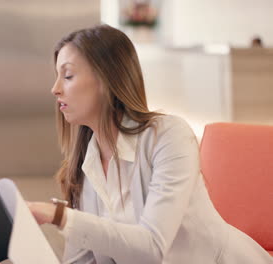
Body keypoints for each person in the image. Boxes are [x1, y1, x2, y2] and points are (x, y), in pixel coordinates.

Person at [28, 25, 273, 263]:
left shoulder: (170, 137)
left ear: (106, 79)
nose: (55, 89)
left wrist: (58, 215)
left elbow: (153, 248)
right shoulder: (84, 166)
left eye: (68, 75)